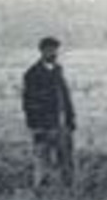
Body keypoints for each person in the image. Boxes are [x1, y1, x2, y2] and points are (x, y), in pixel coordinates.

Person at [22, 36, 76, 190]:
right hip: (43, 126)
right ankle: (41, 193)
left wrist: (71, 121)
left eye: (55, 50)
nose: (54, 53)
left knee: (66, 161)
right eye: (50, 50)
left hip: (62, 125)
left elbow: (66, 97)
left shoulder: (58, 71)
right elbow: (28, 103)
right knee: (42, 162)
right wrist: (35, 126)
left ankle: (67, 192)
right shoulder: (32, 74)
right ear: (42, 51)